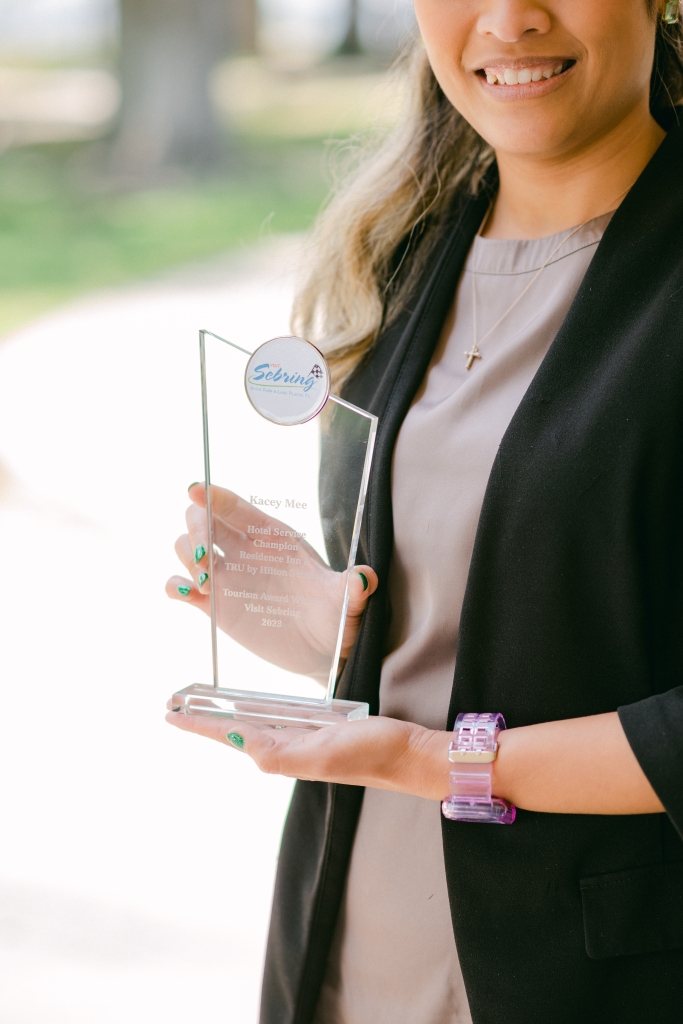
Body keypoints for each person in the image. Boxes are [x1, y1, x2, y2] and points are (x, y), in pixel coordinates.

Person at [165, 2, 683, 1021]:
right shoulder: (400, 253)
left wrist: (428, 759)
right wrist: (335, 624)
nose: (509, 18)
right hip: (349, 950)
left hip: (586, 979)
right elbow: (510, 595)